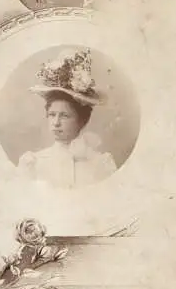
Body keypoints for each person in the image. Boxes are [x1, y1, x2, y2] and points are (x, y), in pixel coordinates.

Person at [18, 49, 117, 188]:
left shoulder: (100, 163)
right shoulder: (33, 163)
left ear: (82, 120)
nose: (56, 123)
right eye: (52, 115)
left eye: (64, 116)